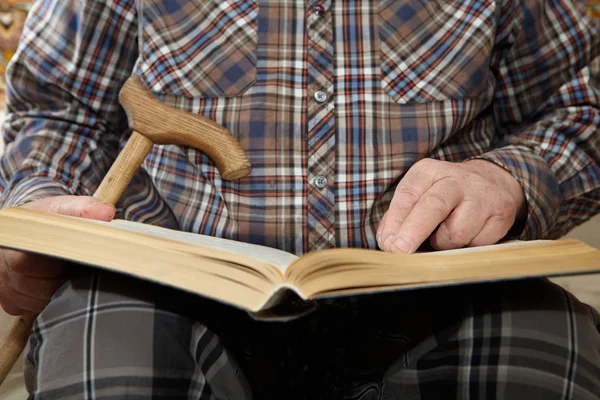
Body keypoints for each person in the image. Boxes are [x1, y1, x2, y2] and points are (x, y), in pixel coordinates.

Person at [0, 0, 599, 398]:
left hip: (436, 297)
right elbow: (58, 111)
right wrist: (39, 210)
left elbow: (580, 105)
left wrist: (510, 176)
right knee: (103, 347)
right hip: (168, 298)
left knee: (551, 346)